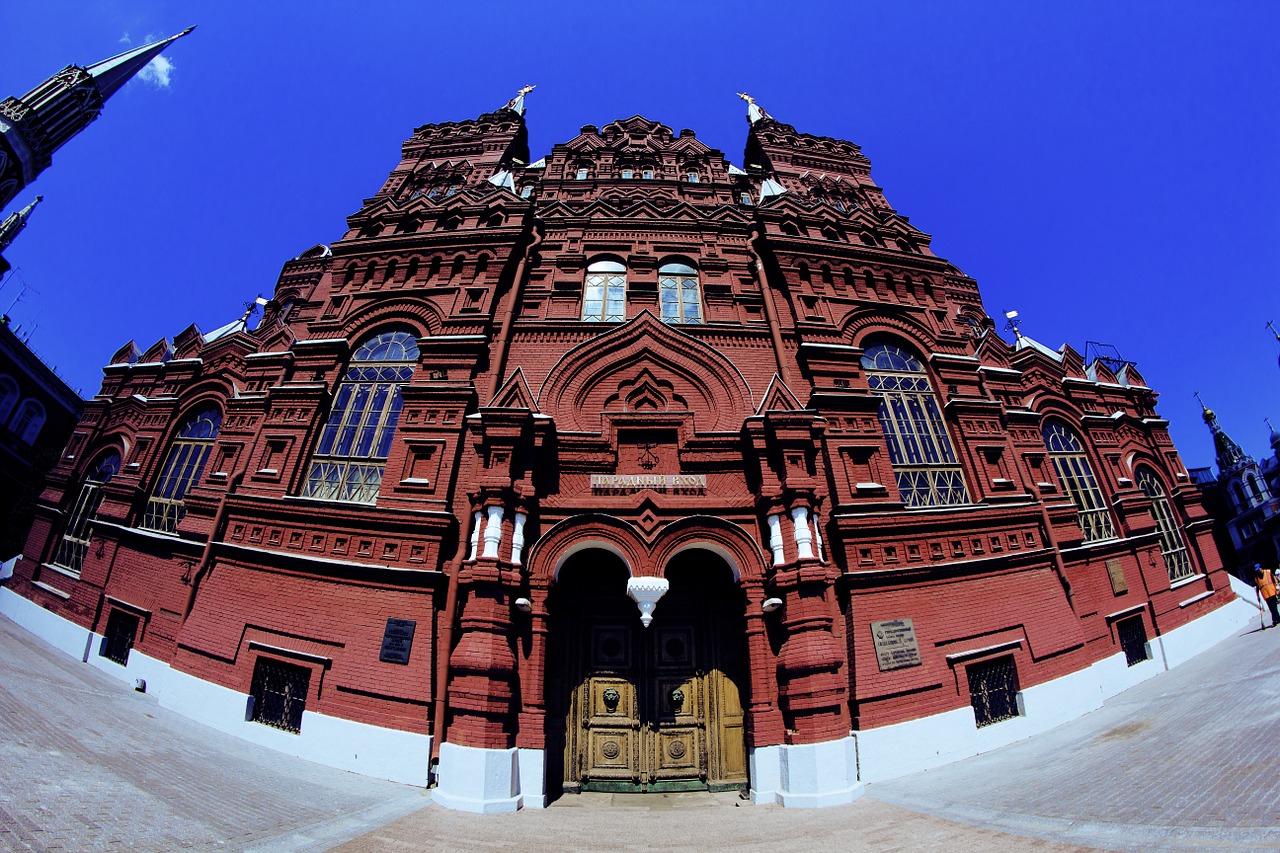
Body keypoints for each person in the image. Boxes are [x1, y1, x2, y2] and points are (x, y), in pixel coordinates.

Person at [1254, 564, 1280, 629]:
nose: (1258, 571)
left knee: (1274, 607)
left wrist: (1277, 587)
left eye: (1258, 570)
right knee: (1271, 608)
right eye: (1256, 571)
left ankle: (1275, 620)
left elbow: (1274, 579)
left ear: (1260, 568)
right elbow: (1257, 588)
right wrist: (1258, 596)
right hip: (1266, 595)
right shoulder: (1256, 578)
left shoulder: (1268, 572)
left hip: (1272, 592)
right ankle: (1277, 619)